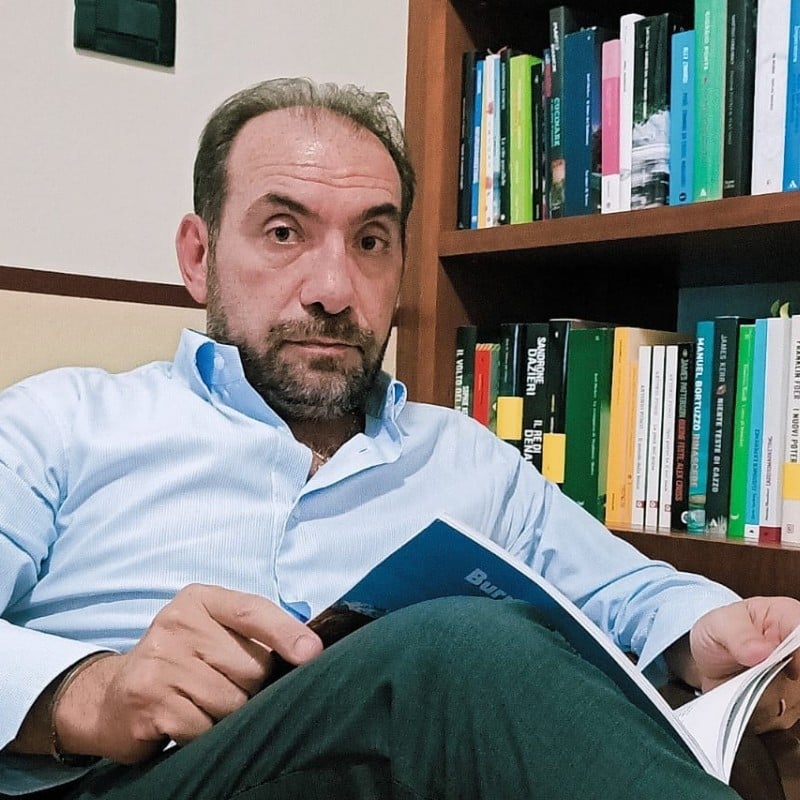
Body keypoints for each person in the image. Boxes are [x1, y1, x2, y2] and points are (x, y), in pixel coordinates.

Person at [0, 77, 798, 800]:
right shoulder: (59, 423)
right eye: (283, 232)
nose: (332, 290)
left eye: (371, 242)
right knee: (456, 647)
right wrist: (88, 694)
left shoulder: (465, 456)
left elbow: (624, 590)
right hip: (134, 780)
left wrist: (707, 631)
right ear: (199, 256)